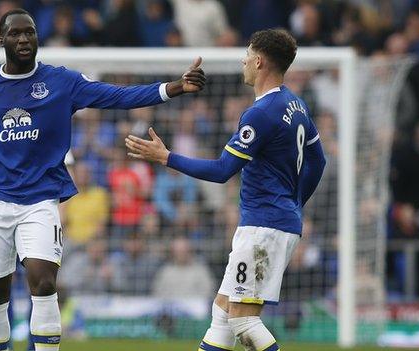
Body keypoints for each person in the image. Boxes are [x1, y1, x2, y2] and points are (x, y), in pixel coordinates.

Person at [0, 8, 205, 351]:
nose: (24, 39)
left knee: (42, 281)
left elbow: (115, 96)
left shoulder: (61, 82)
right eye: (16, 33)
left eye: (30, 33)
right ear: (1, 40)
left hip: (39, 201)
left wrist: (173, 88)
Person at [125, 29, 326, 351]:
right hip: (274, 221)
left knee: (243, 320)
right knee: (222, 312)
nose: (243, 60)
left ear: (259, 61)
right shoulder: (296, 104)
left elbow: (222, 171)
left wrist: (166, 157)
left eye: (247, 54)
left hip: (263, 227)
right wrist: (294, 203)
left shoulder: (261, 114)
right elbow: (318, 160)